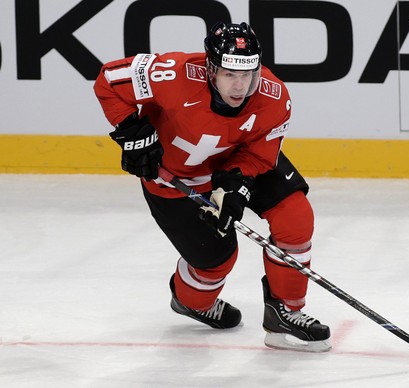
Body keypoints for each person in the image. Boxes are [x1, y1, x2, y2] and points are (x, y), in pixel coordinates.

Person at [93, 22, 331, 352]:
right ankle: (192, 301)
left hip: (234, 156)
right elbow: (108, 80)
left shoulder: (274, 99)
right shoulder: (171, 73)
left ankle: (286, 314)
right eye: (230, 74)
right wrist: (132, 132)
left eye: (248, 75)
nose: (240, 85)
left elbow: (260, 155)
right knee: (217, 262)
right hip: (175, 178)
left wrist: (238, 186)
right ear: (210, 68)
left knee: (295, 215)